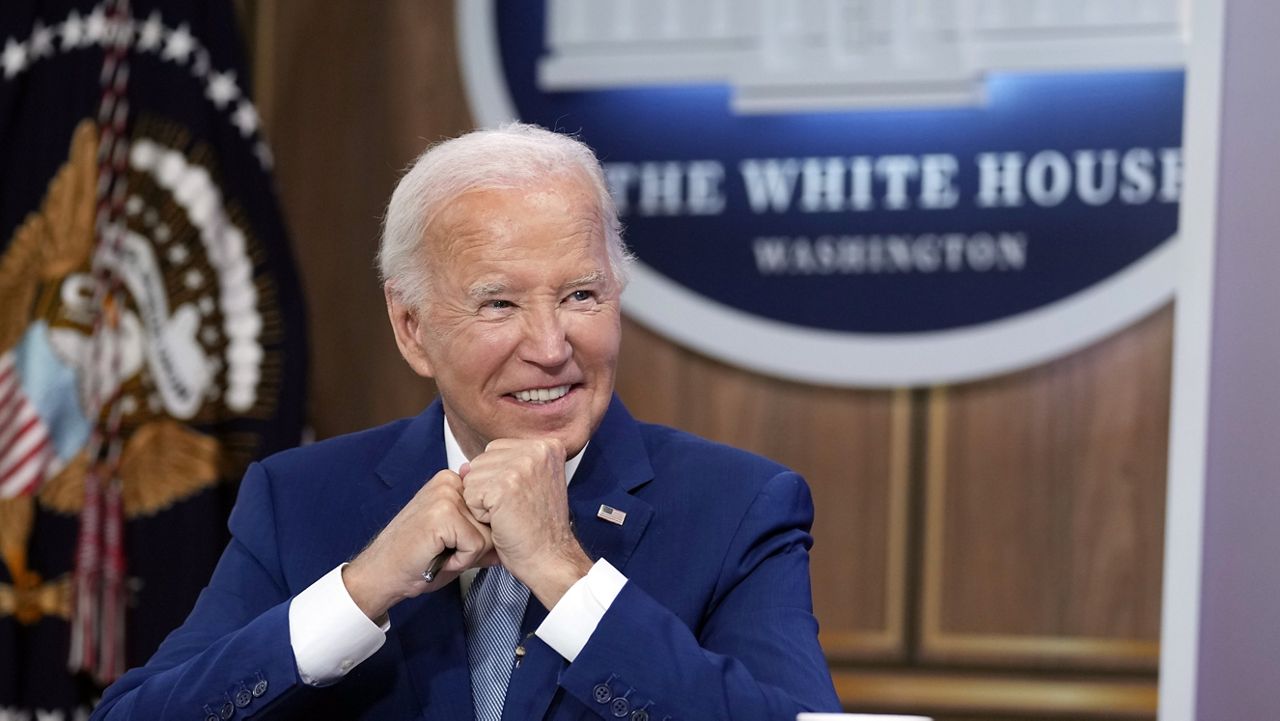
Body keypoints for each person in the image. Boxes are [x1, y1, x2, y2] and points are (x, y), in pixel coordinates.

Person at [92, 123, 840, 720]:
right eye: (499, 304)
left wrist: (564, 574)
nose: (551, 348)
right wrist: (359, 590)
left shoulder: (741, 508)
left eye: (582, 295)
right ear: (411, 326)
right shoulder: (297, 499)